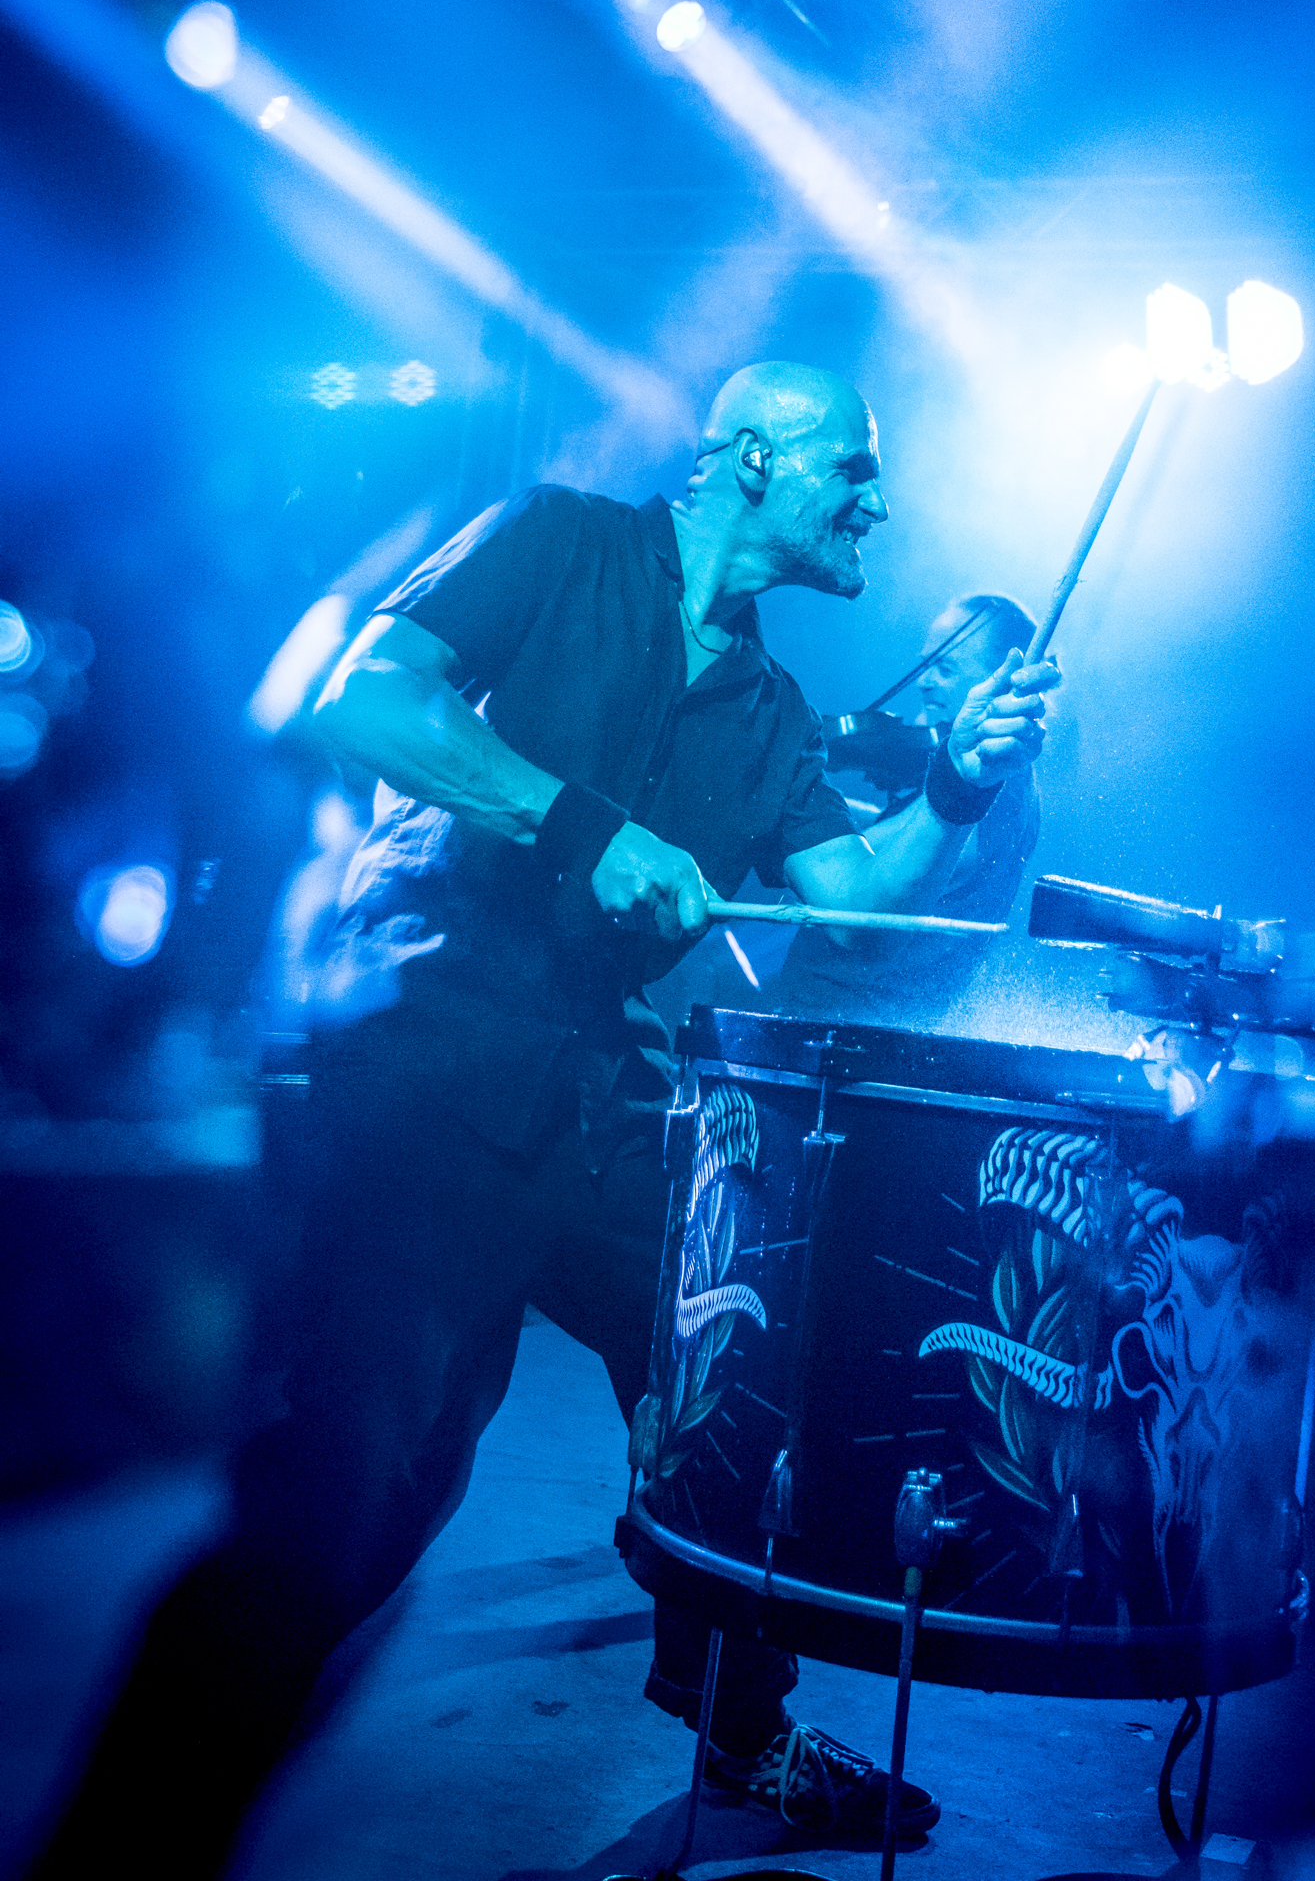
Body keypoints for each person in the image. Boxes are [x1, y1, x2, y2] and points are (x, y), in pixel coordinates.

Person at [34, 363, 1057, 1875]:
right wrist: (583, 825)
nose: (876, 502)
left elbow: (848, 897)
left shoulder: (771, 707)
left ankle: (742, 1723)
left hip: (591, 1096)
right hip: (417, 1067)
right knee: (350, 1501)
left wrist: (959, 789)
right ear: (753, 459)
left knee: (732, 1371)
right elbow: (362, 695)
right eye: (852, 468)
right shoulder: (559, 539)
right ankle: (118, 1847)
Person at [771, 591, 1042, 1023]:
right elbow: (897, 832)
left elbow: (866, 868)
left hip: (852, 1028)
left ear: (1004, 681)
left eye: (946, 668)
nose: (924, 681)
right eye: (925, 664)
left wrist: (788, 808)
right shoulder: (964, 780)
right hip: (837, 1018)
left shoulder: (992, 785)